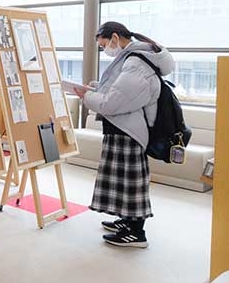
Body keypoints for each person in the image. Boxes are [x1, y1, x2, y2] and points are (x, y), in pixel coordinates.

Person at [74, 21, 174, 249]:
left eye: (103, 44)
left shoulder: (136, 63)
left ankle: (137, 233)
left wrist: (86, 97)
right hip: (124, 129)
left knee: (130, 183)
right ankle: (127, 222)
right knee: (121, 181)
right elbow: (121, 91)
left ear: (115, 38)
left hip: (130, 132)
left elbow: (114, 102)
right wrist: (96, 88)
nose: (104, 50)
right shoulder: (132, 59)